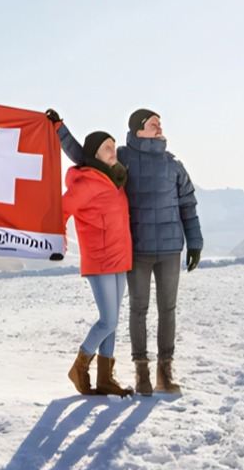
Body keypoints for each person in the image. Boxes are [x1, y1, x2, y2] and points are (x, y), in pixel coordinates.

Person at [47, 107, 203, 396]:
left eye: (160, 123)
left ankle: (151, 373)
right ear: (138, 129)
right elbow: (85, 156)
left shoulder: (161, 167)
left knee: (156, 311)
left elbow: (187, 204)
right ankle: (136, 372)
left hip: (157, 250)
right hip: (132, 252)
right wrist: (60, 130)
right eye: (153, 123)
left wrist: (195, 241)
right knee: (129, 313)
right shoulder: (122, 160)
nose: (160, 128)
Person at [61, 130, 134, 397]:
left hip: (120, 258)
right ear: (94, 154)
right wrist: (59, 239)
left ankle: (105, 379)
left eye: (114, 145)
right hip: (100, 259)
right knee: (108, 321)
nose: (113, 150)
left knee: (112, 321)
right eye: (106, 147)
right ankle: (79, 367)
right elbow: (61, 209)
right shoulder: (87, 182)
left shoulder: (116, 179)